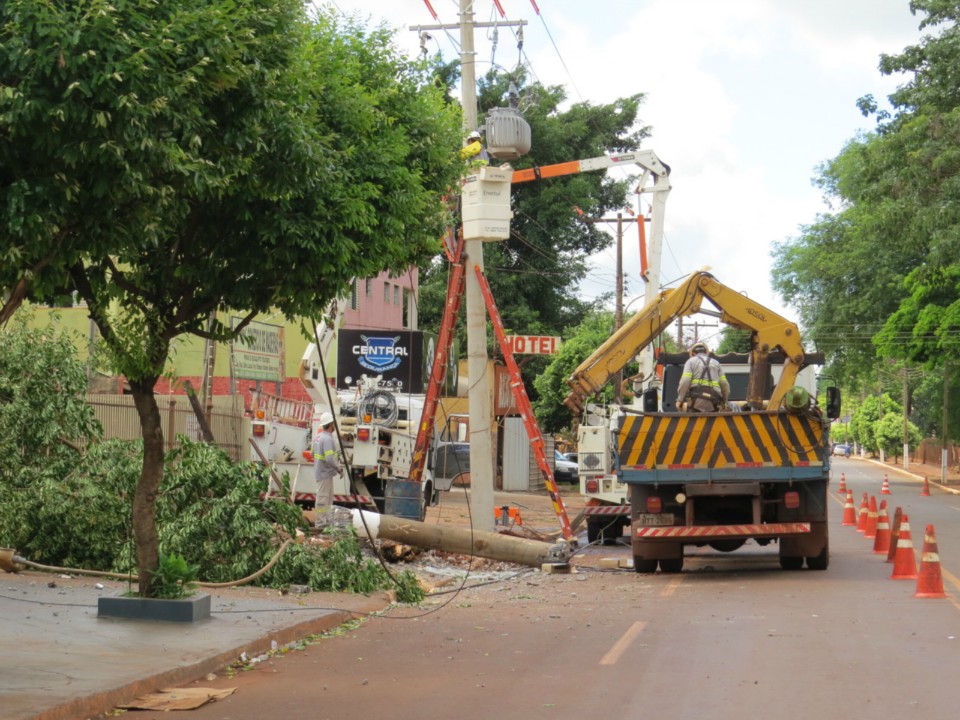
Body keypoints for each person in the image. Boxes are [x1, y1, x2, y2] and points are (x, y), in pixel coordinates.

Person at [677, 342, 729, 412]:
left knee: (693, 421)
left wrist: (680, 400)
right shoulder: (716, 363)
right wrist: (724, 401)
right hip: (715, 399)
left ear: (693, 353)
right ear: (706, 352)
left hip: (696, 399)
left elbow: (685, 380)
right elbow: (724, 384)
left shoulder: (690, 361)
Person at [312, 411, 341, 528]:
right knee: (323, 499)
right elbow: (329, 459)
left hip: (322, 472)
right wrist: (339, 468)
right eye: (333, 423)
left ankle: (326, 523)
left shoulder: (318, 437)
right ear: (330, 424)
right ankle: (320, 524)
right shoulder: (328, 439)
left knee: (328, 499)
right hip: (325, 473)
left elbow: (312, 453)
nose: (334, 425)